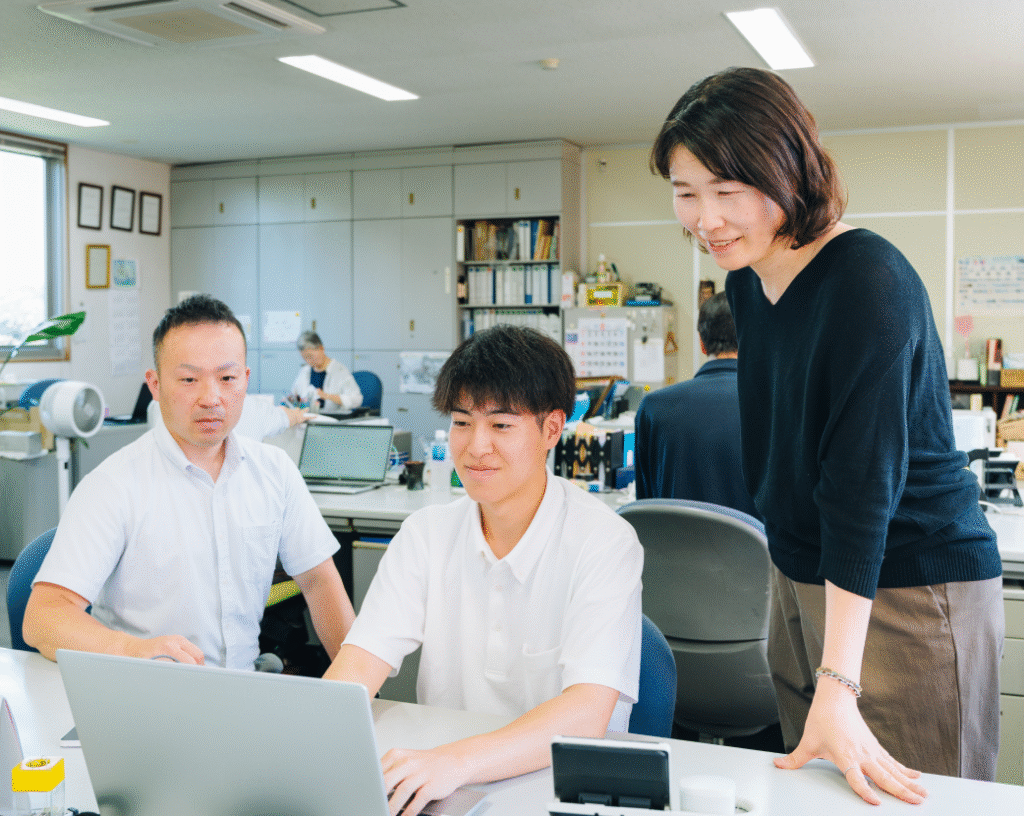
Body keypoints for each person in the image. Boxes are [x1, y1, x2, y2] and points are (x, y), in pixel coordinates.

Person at [651, 67, 1003, 804]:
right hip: (801, 574)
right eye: (686, 192)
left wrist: (838, 681)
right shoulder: (746, 281)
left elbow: (861, 487)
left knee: (913, 798)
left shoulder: (868, 280)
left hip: (907, 581)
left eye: (727, 190)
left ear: (787, 171)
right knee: (818, 794)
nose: (705, 219)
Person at [323, 325, 643, 816]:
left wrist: (455, 762)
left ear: (552, 429)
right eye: (461, 422)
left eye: (501, 426)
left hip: (562, 790)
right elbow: (357, 667)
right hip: (448, 791)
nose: (475, 447)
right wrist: (306, 747)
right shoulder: (426, 534)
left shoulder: (603, 542)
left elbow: (585, 713)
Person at [24, 294, 355, 669]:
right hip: (147, 688)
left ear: (245, 381)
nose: (211, 398)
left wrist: (357, 689)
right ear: (155, 385)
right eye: (188, 379)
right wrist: (133, 651)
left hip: (244, 689)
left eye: (227, 378)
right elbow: (43, 617)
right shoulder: (112, 485)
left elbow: (320, 582)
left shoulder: (275, 471)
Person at [634, 291, 758, 518]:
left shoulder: (653, 408)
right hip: (755, 542)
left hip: (674, 541)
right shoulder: (776, 405)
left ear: (701, 342)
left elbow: (646, 507)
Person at [289, 330, 362, 415]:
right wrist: (293, 402)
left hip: (332, 419)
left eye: (310, 356)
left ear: (321, 348)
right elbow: (294, 396)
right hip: (308, 418)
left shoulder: (339, 370)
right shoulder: (305, 371)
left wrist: (327, 396)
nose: (308, 361)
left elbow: (356, 400)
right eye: (305, 358)